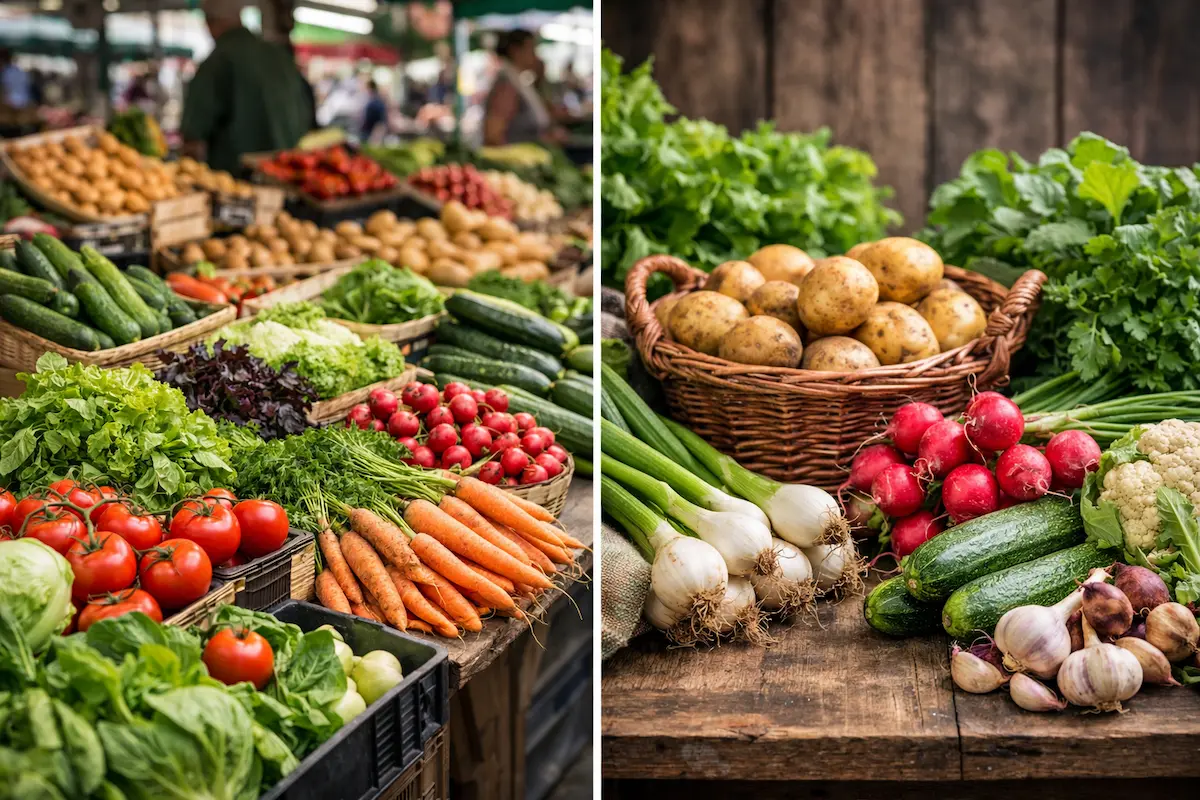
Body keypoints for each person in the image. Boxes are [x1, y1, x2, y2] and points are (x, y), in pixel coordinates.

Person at [181, 0, 314, 174]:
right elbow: (307, 113)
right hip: (291, 172)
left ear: (210, 21)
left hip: (240, 180)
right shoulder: (278, 55)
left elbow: (193, 136)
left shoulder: (218, 61)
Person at [483, 30, 564, 146]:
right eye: (531, 49)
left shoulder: (519, 80)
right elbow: (493, 134)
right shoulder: (506, 84)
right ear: (515, 51)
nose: (535, 55)